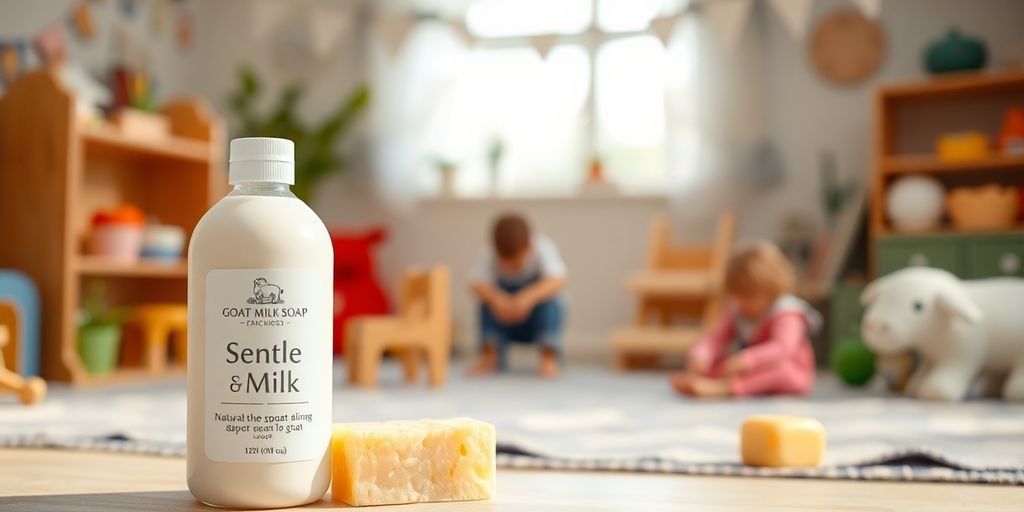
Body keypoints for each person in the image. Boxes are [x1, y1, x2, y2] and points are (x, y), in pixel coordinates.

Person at [670, 242, 820, 397]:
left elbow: (782, 349)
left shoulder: (787, 312)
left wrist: (747, 359)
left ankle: (724, 388)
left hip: (790, 372)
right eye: (736, 295)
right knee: (721, 363)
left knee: (779, 370)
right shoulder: (738, 311)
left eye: (748, 296)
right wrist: (701, 356)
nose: (740, 302)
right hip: (753, 369)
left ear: (770, 289)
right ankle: (699, 379)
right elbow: (715, 338)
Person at [468, 213, 567, 378]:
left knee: (554, 301)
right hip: (504, 320)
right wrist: (497, 299)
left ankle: (548, 358)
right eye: (503, 260)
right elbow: (475, 283)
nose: (508, 266)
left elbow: (558, 280)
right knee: (485, 301)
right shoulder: (490, 252)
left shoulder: (543, 248)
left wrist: (527, 297)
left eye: (514, 261)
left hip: (534, 320)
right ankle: (489, 356)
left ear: (529, 247)